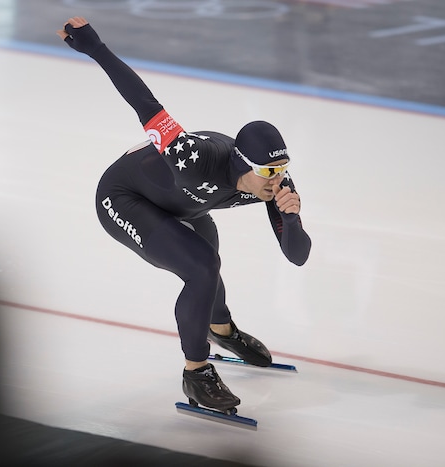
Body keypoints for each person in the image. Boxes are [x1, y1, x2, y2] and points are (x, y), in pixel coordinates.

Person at [57, 17, 311, 412]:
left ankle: (221, 329)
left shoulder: (277, 184)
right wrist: (96, 48)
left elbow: (297, 256)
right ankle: (196, 372)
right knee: (202, 265)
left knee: (208, 259)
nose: (275, 181)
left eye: (281, 170)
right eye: (266, 172)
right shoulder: (194, 156)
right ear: (242, 164)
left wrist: (291, 218)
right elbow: (144, 102)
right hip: (124, 197)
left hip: (187, 205)